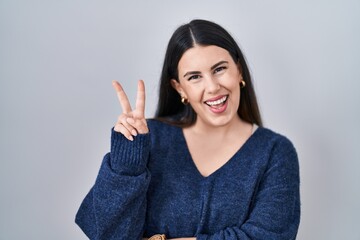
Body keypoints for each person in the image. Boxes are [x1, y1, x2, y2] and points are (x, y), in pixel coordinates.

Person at [75, 19, 300, 240]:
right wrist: (128, 159)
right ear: (179, 88)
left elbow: (268, 236)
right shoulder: (151, 139)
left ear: (239, 71)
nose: (212, 87)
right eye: (194, 77)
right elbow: (110, 235)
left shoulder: (275, 151)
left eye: (220, 69)